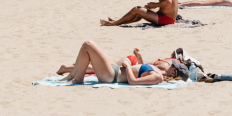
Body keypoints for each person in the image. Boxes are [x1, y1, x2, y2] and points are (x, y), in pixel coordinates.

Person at [60, 41, 189, 85]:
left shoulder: (158, 77)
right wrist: (139, 59)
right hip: (115, 70)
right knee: (86, 48)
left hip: (112, 76)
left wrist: (127, 66)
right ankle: (72, 76)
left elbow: (133, 82)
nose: (171, 64)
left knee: (88, 45)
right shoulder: (159, 71)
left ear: (173, 72)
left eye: (174, 66)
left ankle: (77, 79)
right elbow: (140, 71)